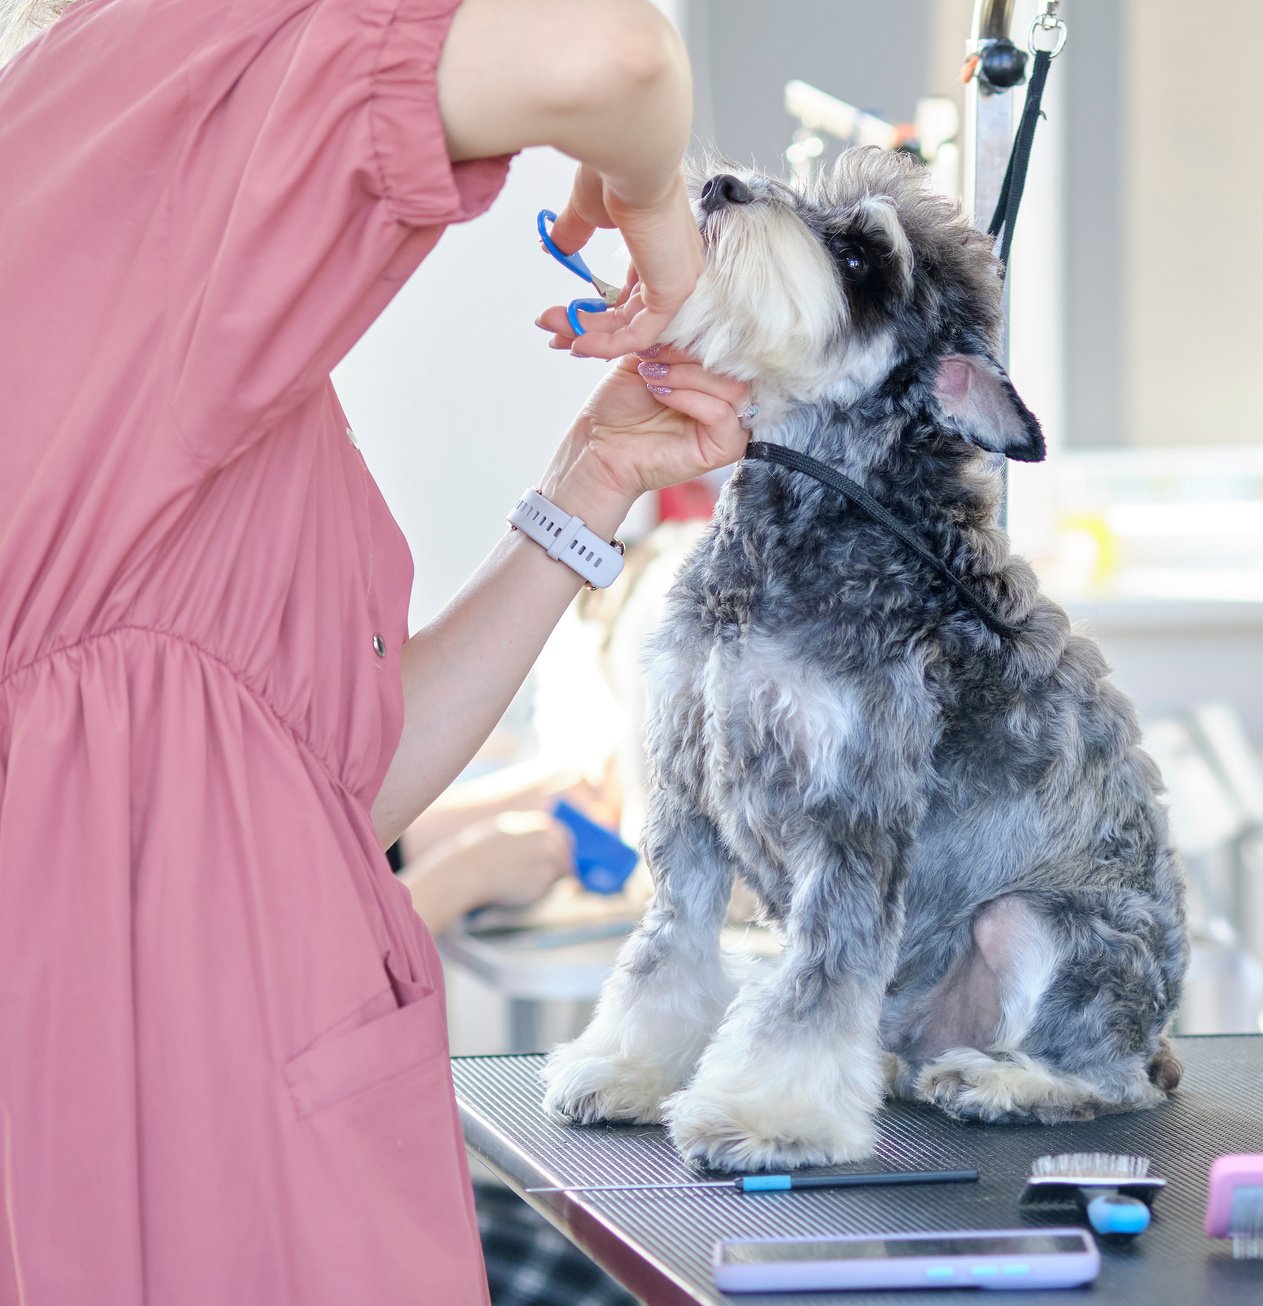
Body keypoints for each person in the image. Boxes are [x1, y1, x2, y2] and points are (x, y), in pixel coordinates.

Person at [0, 0, 750, 1299]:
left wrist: (589, 488)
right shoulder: (140, 92)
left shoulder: (69, 163)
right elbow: (614, 56)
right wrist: (665, 233)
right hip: (192, 1139)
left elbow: (313, 789)